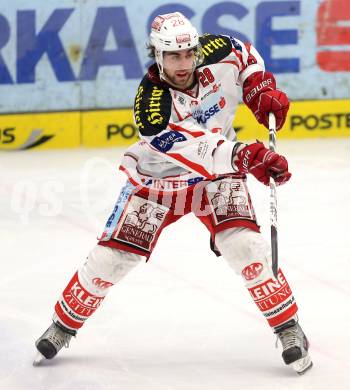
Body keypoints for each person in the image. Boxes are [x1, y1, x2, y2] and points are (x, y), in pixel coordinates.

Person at [34, 12, 312, 374]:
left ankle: (289, 328)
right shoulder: (151, 107)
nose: (183, 64)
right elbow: (201, 151)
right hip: (159, 182)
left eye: (188, 55)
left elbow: (244, 55)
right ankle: (62, 326)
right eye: (173, 57)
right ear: (157, 56)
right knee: (110, 260)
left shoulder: (216, 49)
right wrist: (247, 155)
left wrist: (259, 86)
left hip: (218, 175)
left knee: (246, 246)